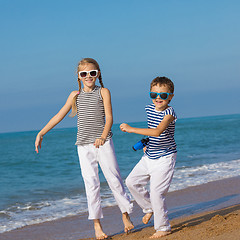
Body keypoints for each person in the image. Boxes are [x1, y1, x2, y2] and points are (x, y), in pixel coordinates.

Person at [35, 58, 134, 239]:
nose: (88, 76)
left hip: (103, 143)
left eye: (92, 73)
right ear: (79, 76)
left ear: (98, 74)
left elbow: (110, 118)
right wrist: (41, 132)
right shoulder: (75, 95)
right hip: (83, 146)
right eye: (84, 74)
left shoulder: (103, 92)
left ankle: (125, 214)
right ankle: (97, 225)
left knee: (114, 179)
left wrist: (103, 137)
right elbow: (59, 115)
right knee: (91, 185)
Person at [120, 76, 177, 239]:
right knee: (131, 182)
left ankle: (163, 227)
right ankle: (149, 208)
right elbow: (153, 132)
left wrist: (131, 129)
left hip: (165, 158)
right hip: (149, 155)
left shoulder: (170, 112)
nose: (158, 98)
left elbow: (158, 131)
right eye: (154, 95)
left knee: (157, 192)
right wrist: (147, 143)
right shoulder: (149, 109)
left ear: (170, 96)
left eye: (163, 95)